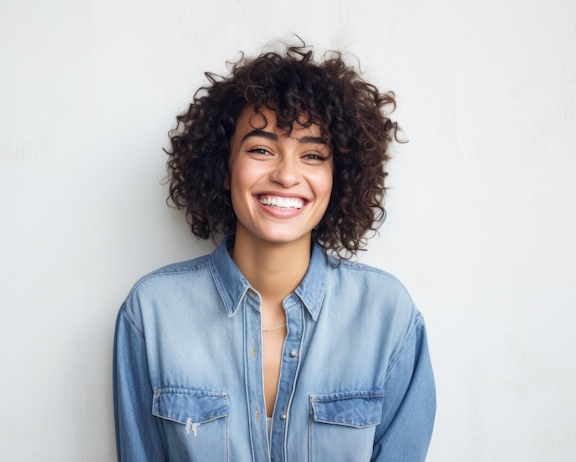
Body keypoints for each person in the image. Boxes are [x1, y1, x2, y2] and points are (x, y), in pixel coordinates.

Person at [113, 40, 436, 461]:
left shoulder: (388, 315)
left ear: (338, 177)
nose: (286, 175)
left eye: (313, 155)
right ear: (224, 169)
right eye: (261, 149)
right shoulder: (152, 313)